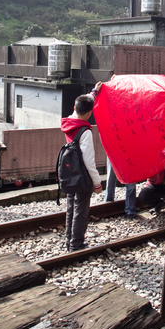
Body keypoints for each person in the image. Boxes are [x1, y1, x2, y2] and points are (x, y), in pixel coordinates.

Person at [60, 84, 103, 251]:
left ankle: (69, 240)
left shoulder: (69, 122)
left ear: (74, 108)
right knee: (81, 210)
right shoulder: (85, 131)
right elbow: (89, 161)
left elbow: (84, 104)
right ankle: (77, 243)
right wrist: (97, 183)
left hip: (69, 172)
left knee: (71, 207)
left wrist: (94, 92)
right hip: (82, 176)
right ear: (90, 113)